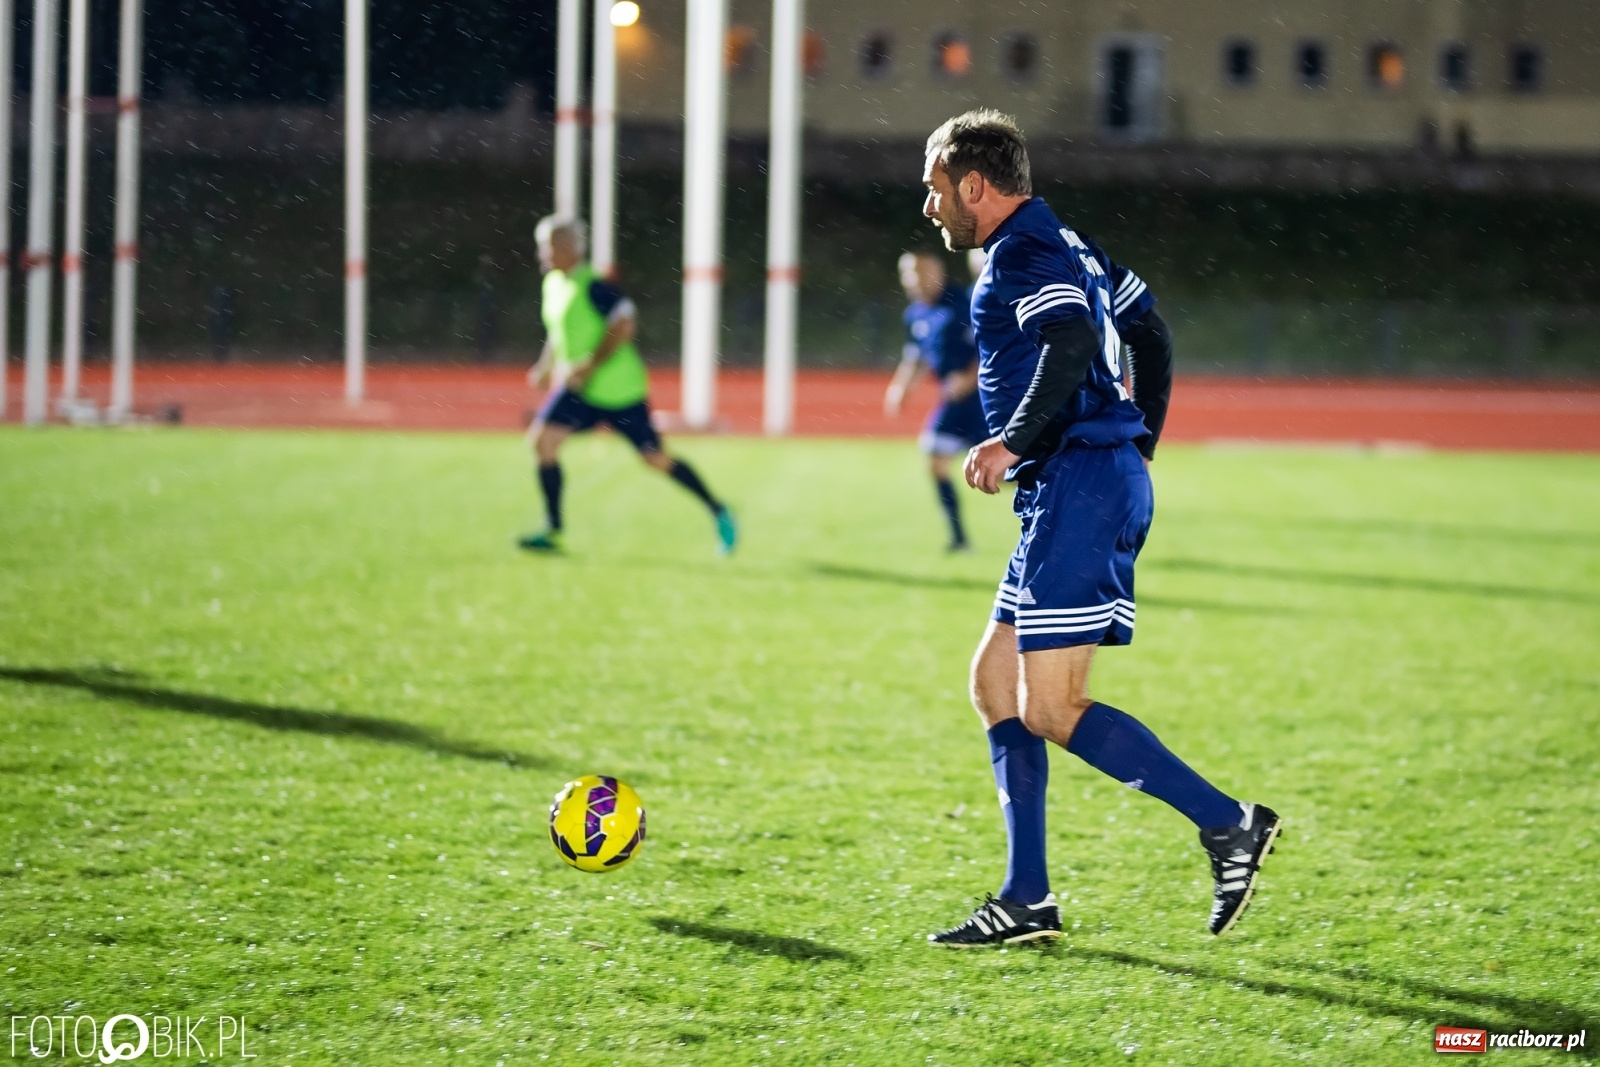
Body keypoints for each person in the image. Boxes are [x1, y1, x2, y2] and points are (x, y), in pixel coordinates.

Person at [918, 110, 1281, 947]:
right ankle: (1027, 897)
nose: (929, 205)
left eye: (935, 187)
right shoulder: (1071, 243)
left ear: (975, 184)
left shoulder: (1022, 250)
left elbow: (1076, 336)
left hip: (1078, 481)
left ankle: (1229, 822)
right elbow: (1148, 333)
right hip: (1078, 480)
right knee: (993, 682)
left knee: (1050, 706)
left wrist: (1014, 439)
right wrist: (1140, 442)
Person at [520, 216, 737, 555]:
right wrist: (546, 365)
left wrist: (590, 364)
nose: (541, 254)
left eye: (547, 246)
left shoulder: (594, 285)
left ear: (568, 248)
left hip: (619, 391)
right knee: (543, 442)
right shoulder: (553, 285)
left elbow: (624, 324)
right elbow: (559, 330)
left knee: (655, 459)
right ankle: (553, 529)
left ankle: (719, 510)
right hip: (580, 390)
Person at [883, 251, 987, 551]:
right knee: (936, 461)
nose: (916, 280)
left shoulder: (965, 303)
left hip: (983, 399)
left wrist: (969, 378)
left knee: (1007, 473)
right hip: (953, 403)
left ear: (939, 273)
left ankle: (1065, 509)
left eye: (922, 272)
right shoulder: (915, 314)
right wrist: (901, 387)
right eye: (910, 274)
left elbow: (992, 345)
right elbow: (915, 356)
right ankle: (959, 539)